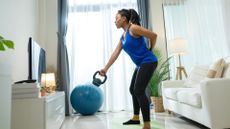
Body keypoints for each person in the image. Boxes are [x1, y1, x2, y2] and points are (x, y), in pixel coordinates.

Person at [99, 8, 158, 129]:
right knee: (133, 89)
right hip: (141, 64)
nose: (115, 21)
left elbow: (153, 35)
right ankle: (136, 118)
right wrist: (105, 68)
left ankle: (147, 124)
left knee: (139, 90)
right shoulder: (123, 36)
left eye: (117, 18)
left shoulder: (133, 28)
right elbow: (115, 52)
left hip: (148, 61)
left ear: (124, 18)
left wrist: (151, 49)